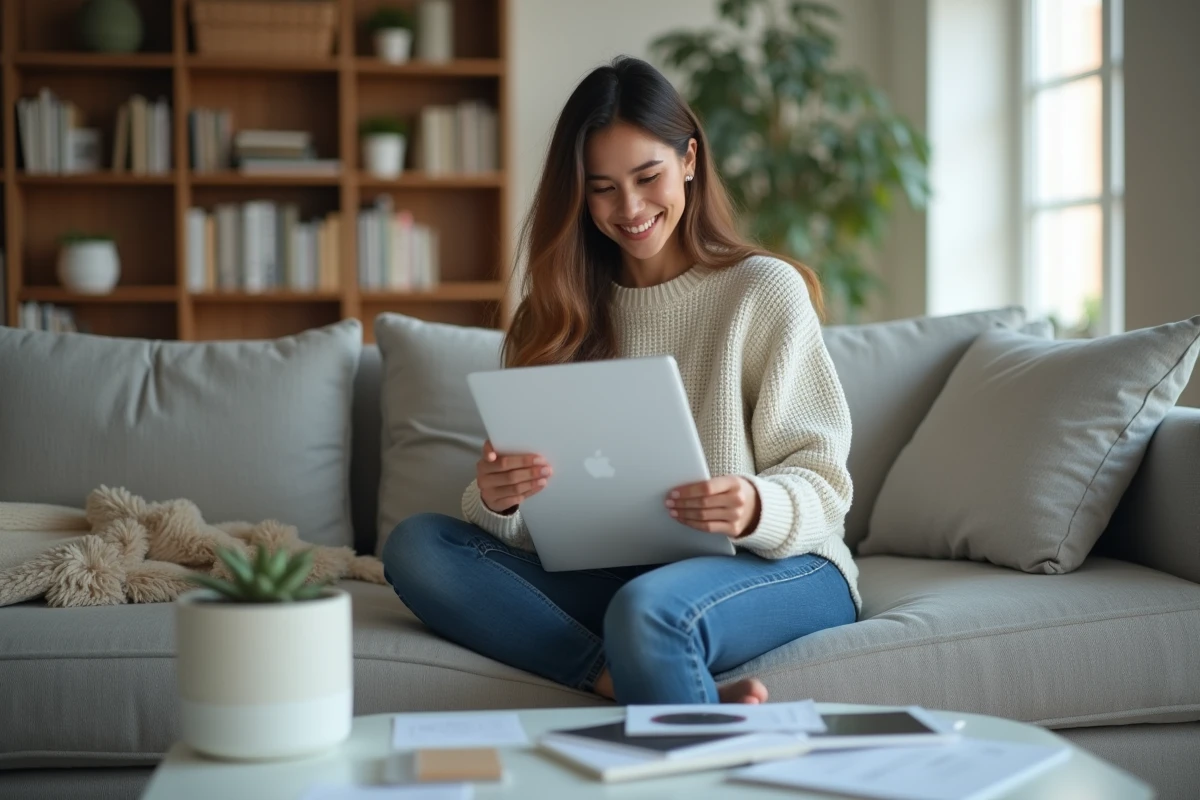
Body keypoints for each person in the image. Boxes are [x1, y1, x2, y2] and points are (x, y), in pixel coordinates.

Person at [382, 56, 858, 705]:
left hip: (779, 564)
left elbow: (824, 484)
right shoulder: (552, 315)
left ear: (689, 159)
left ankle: (660, 688)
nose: (629, 208)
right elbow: (539, 521)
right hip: (623, 575)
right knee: (417, 545)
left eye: (647, 175)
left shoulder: (760, 290)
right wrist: (498, 499)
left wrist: (752, 504)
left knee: (647, 610)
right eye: (602, 187)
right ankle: (620, 677)